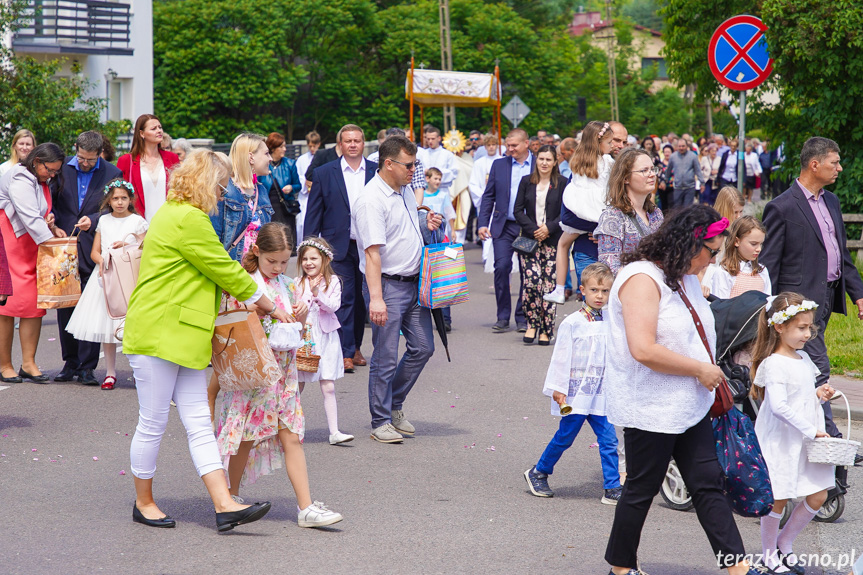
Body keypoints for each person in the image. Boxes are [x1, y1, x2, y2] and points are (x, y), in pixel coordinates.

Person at [123, 149, 279, 531]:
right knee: (154, 422)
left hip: (181, 331)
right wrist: (267, 303)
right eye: (222, 184)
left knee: (196, 422)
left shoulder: (175, 213)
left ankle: (224, 503)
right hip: (161, 331)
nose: (224, 192)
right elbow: (221, 265)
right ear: (207, 181)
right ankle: (143, 502)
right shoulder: (188, 218)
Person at [603, 205, 760, 575]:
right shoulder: (641, 278)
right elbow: (642, 349)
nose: (713, 258)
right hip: (651, 405)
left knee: (708, 485)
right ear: (689, 244)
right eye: (712, 250)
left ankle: (737, 566)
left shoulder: (685, 275)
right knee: (641, 489)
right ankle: (620, 569)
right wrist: (700, 369)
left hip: (690, 402)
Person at [217, 222, 344, 527]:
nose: (278, 267)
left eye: (284, 261)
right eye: (272, 260)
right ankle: (230, 500)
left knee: (292, 437)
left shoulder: (288, 284)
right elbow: (232, 323)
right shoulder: (246, 282)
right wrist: (263, 313)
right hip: (255, 375)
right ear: (257, 252)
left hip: (285, 374)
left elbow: (295, 330)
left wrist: (299, 318)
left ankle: (306, 507)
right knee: (246, 437)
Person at [759, 136, 863, 444]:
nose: (839, 169)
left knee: (807, 365)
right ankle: (829, 436)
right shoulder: (782, 207)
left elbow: (840, 255)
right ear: (814, 164)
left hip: (828, 296)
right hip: (797, 304)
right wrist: (771, 308)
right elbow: (770, 263)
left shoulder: (830, 201)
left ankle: (801, 428)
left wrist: (857, 294)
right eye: (834, 162)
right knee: (818, 364)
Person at [353, 135, 442, 443]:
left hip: (414, 283)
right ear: (388, 164)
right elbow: (372, 253)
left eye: (415, 164)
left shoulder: (402, 190)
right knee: (385, 356)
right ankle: (380, 420)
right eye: (408, 164)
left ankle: (393, 405)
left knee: (423, 347)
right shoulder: (371, 199)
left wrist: (424, 222)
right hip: (388, 286)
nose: (413, 171)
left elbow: (403, 230)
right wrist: (376, 298)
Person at [750, 292, 836, 574]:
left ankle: (784, 542)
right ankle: (768, 554)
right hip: (782, 440)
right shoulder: (774, 363)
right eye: (801, 328)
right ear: (779, 327)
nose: (807, 334)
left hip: (806, 439)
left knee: (818, 494)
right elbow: (777, 407)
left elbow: (802, 397)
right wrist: (812, 430)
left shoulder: (802, 358)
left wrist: (819, 394)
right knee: (779, 496)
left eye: (810, 327)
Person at [523, 263, 621, 503]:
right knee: (565, 437)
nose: (600, 296)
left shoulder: (613, 321)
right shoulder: (572, 323)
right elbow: (561, 358)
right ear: (583, 290)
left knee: (609, 440)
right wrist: (559, 388)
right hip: (576, 394)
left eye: (605, 291)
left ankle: (612, 487)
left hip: (601, 393)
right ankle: (538, 472)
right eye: (595, 290)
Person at [51, 130, 123, 385]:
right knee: (66, 303)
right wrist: (51, 219)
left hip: (93, 242)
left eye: (90, 160)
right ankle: (69, 363)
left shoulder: (111, 172)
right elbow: (52, 200)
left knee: (92, 304)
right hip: (64, 243)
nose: (85, 163)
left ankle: (87, 367)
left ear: (99, 154)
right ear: (75, 149)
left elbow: (110, 205)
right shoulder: (63, 169)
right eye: (82, 157)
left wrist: (92, 220)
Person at [305, 124, 376, 373]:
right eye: (348, 141)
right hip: (338, 246)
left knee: (362, 300)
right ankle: (346, 352)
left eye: (357, 140)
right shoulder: (325, 173)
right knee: (344, 298)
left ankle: (356, 347)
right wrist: (309, 247)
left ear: (363, 143)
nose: (353, 144)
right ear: (340, 144)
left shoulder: (377, 172)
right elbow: (314, 211)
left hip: (370, 245)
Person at [65, 179, 148, 389]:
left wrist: (127, 244)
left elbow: (146, 247)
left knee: (133, 324)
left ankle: (140, 371)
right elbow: (94, 251)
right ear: (108, 201)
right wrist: (102, 260)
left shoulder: (138, 222)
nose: (119, 202)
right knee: (107, 324)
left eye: (123, 198)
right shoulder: (104, 221)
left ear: (130, 200)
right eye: (115, 199)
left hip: (128, 276)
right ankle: (110, 373)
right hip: (106, 274)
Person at [0, 143, 67, 384]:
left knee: (34, 303)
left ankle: (28, 363)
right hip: (11, 242)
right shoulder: (20, 177)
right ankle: (4, 364)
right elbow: (28, 216)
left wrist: (51, 223)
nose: (52, 175)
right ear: (36, 161)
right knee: (7, 303)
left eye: (55, 171)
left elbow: (39, 215)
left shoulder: (39, 179)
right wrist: (54, 246)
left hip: (30, 243)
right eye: (49, 169)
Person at [543, 121, 614, 305]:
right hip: (598, 215)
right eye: (609, 141)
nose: (612, 145)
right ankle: (560, 288)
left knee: (562, 245)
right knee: (563, 245)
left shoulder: (578, 162)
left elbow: (576, 191)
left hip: (579, 215)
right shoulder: (607, 162)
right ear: (598, 143)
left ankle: (560, 288)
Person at [294, 237, 353, 445]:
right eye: (304, 259)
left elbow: (333, 307)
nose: (308, 263)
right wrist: (308, 293)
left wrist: (317, 292)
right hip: (306, 337)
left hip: (326, 336)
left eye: (313, 258)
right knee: (296, 386)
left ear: (325, 260)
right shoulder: (297, 283)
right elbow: (297, 306)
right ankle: (293, 428)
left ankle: (334, 431)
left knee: (328, 385)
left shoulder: (333, 281)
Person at [477, 129, 532, 332]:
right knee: (501, 268)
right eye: (508, 145)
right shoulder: (499, 164)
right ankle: (502, 316)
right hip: (504, 226)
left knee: (528, 272)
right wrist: (483, 223)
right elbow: (488, 196)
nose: (510, 149)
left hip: (527, 228)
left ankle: (522, 317)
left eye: (514, 145)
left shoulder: (538, 165)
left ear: (526, 143)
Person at [513, 145, 566, 345]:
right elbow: (517, 210)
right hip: (529, 240)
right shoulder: (526, 181)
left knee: (549, 285)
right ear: (536, 160)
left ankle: (546, 328)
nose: (544, 163)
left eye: (548, 159)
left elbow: (565, 213)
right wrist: (535, 229)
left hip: (553, 241)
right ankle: (531, 324)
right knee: (532, 283)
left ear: (555, 162)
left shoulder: (562, 183)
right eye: (541, 159)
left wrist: (549, 228)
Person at [594, 149, 664, 275]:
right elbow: (609, 267)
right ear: (626, 178)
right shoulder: (612, 217)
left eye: (653, 169)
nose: (652, 174)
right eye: (644, 170)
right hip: (630, 289)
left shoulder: (655, 214)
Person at [210, 133, 274, 262]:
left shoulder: (261, 190)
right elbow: (213, 240)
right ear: (251, 157)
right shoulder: (224, 190)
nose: (271, 158)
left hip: (260, 271)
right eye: (266, 153)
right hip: (235, 271)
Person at [117, 114, 181, 222]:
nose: (159, 131)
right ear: (142, 133)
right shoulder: (127, 161)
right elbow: (118, 194)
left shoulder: (172, 158)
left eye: (160, 127)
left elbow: (180, 190)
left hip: (169, 223)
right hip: (138, 224)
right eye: (153, 128)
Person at [422, 167, 457, 330]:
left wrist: (453, 231)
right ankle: (427, 314)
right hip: (426, 241)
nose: (438, 182)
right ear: (427, 179)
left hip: (442, 238)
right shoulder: (420, 195)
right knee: (428, 278)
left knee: (443, 277)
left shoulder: (443, 195)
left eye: (439, 179)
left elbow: (450, 214)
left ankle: (446, 318)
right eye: (435, 178)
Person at [705, 216, 770, 299]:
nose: (759, 249)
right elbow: (720, 305)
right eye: (753, 244)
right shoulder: (724, 272)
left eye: (761, 244)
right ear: (737, 241)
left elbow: (768, 303)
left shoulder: (762, 271)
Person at [259, 132, 301, 239]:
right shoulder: (263, 165)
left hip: (286, 206)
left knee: (287, 237)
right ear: (273, 148)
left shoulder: (290, 164)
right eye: (281, 146)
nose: (285, 149)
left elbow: (298, 185)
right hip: (269, 207)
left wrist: (291, 187)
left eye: (285, 146)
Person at [666, 137, 706, 211]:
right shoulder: (673, 156)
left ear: (686, 146)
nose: (681, 148)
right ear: (677, 147)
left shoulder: (693, 156)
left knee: (687, 209)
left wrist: (702, 183)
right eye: (680, 146)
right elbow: (668, 170)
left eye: (683, 146)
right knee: (677, 209)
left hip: (689, 187)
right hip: (678, 187)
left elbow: (698, 170)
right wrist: (665, 180)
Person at [296, 131, 321, 243]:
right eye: (310, 146)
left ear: (319, 144)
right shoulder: (302, 159)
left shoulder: (322, 157)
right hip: (305, 196)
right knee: (302, 223)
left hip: (318, 194)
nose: (312, 148)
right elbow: (299, 176)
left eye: (314, 146)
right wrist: (305, 182)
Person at [417, 125, 457, 196]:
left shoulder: (447, 154)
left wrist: (435, 174)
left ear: (439, 138)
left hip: (442, 190)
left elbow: (453, 173)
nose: (430, 141)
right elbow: (418, 170)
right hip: (426, 191)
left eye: (432, 139)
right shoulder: (423, 154)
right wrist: (425, 171)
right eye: (428, 139)